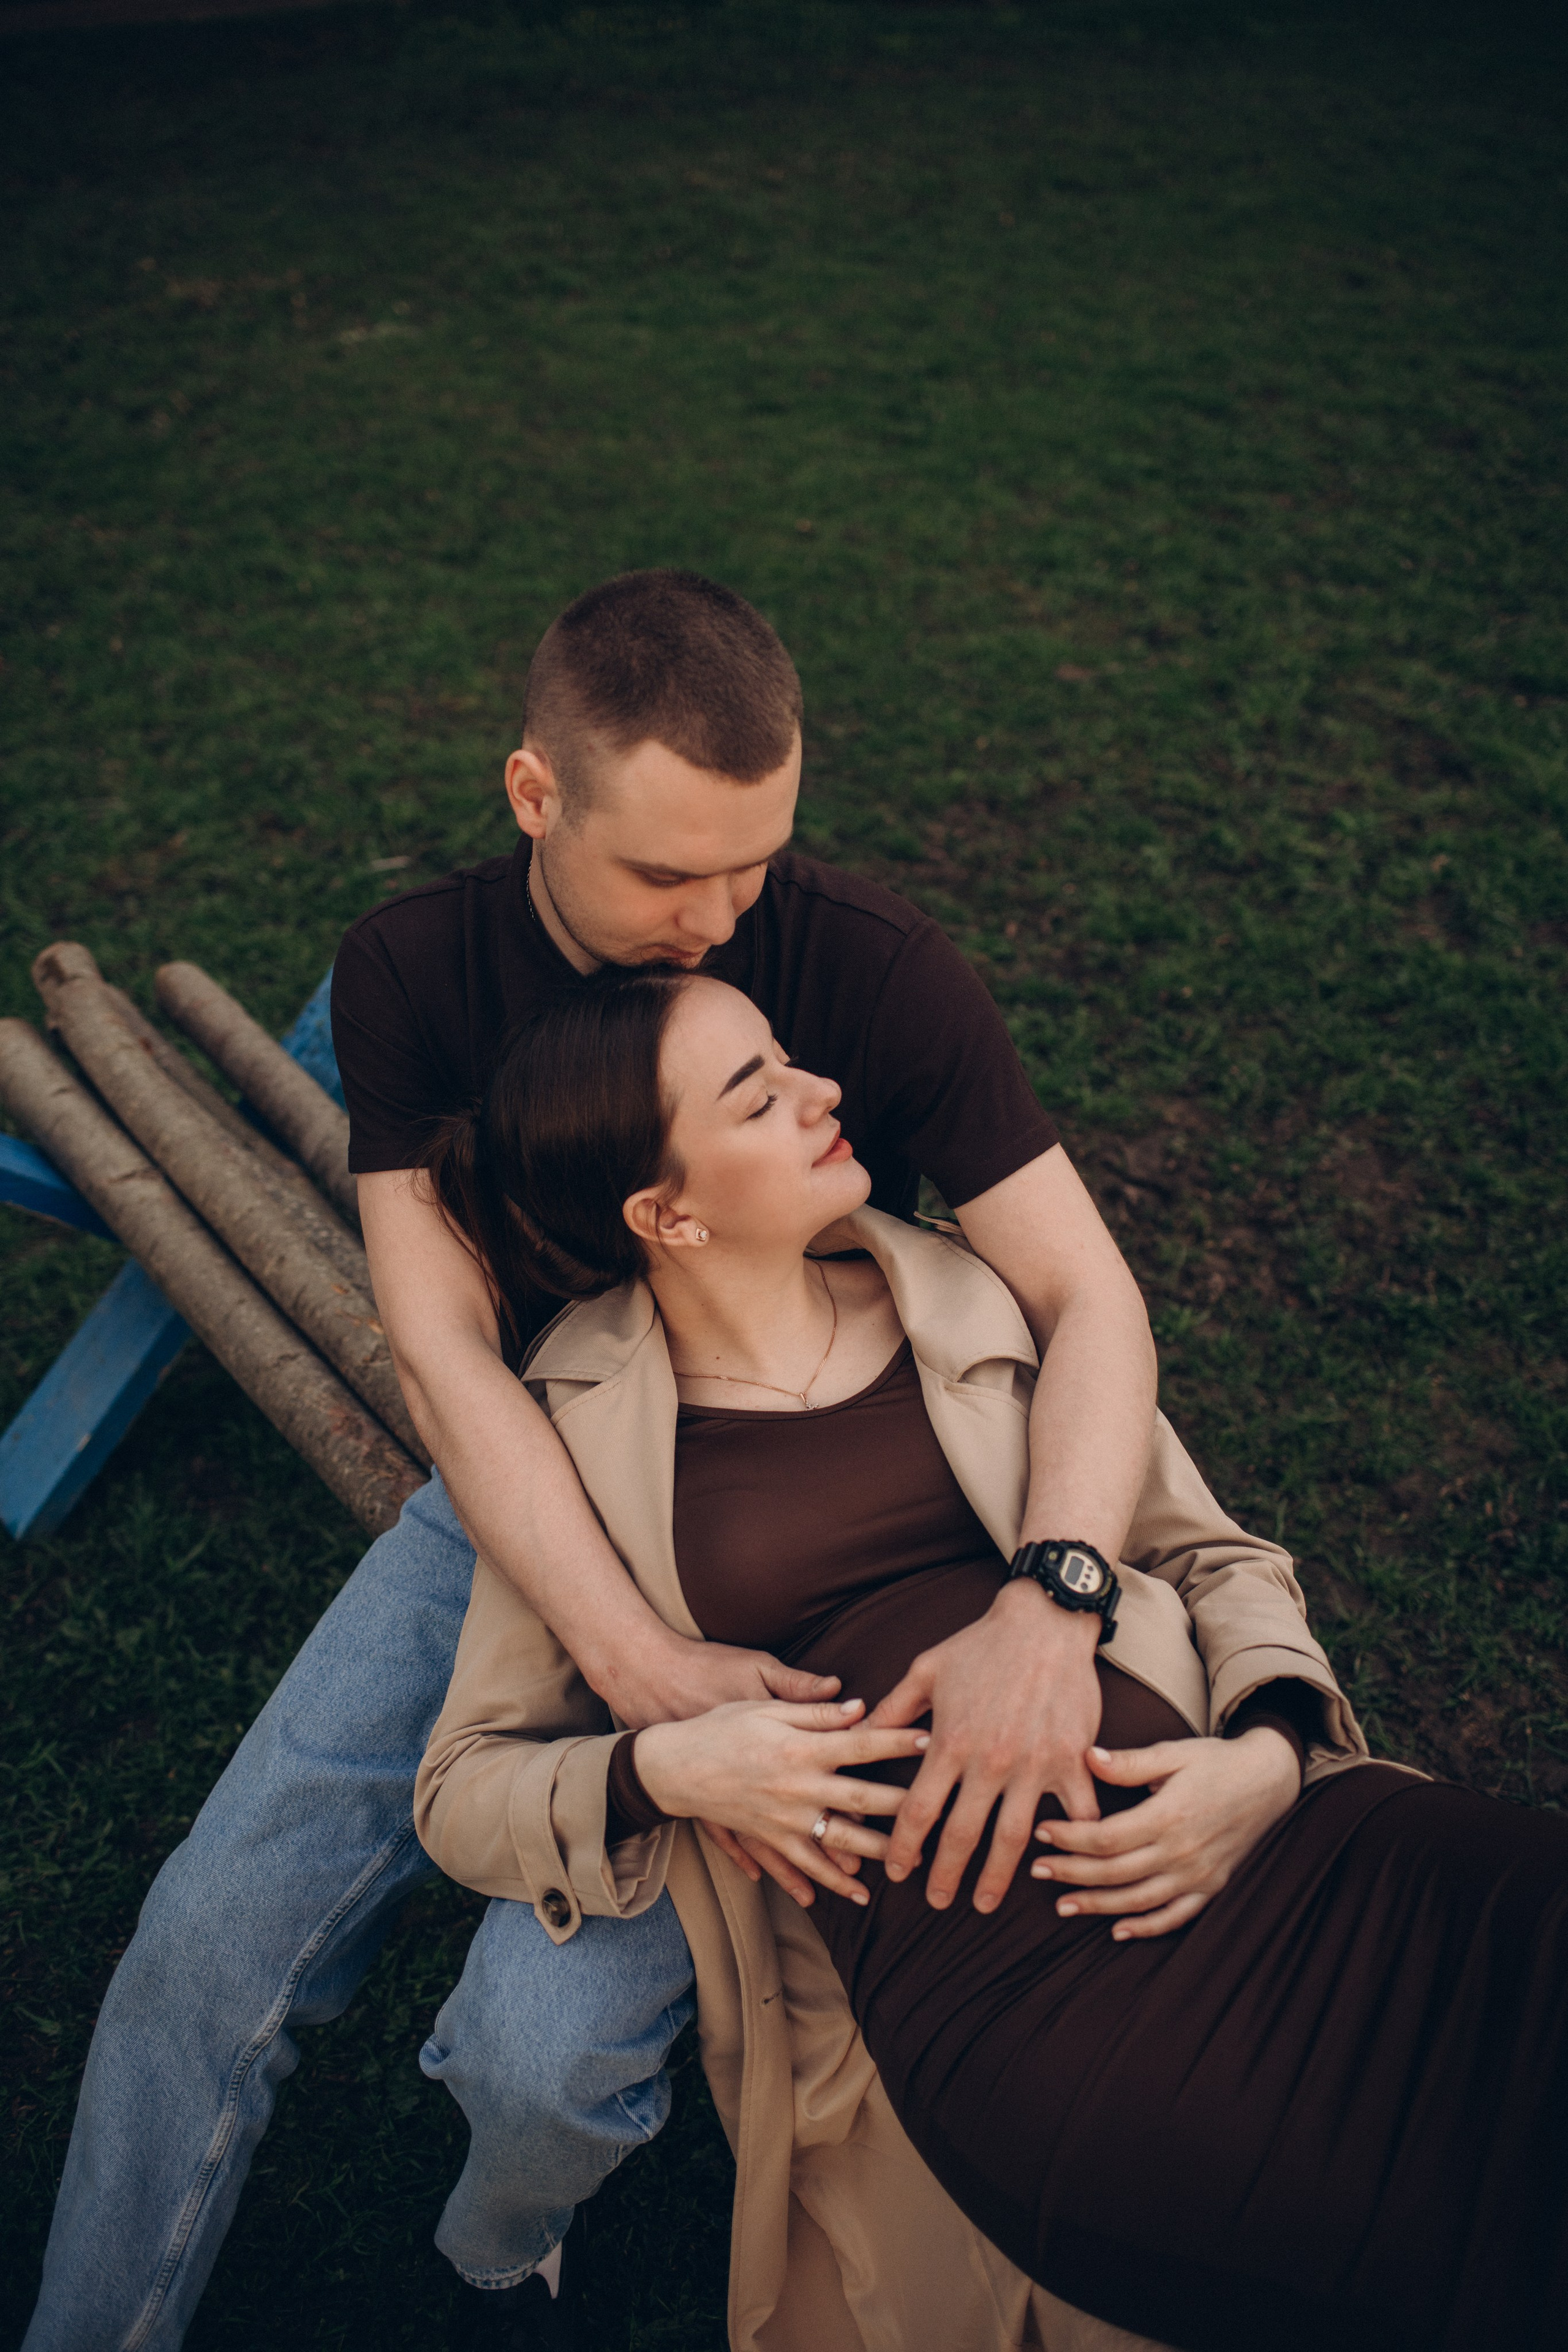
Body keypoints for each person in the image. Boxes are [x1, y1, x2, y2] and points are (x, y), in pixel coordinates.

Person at [24, 571, 1161, 2351]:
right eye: (665, 873)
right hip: (526, 1477)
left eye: (755, 861)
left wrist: (1059, 1597)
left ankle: (506, 2226)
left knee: (541, 2036)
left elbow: (1086, 1290)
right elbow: (446, 1351)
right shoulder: (412, 970)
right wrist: (642, 1678)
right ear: (534, 795)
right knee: (203, 1942)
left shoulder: (877, 968)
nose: (718, 920)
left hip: (818, 1533)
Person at [417, 967, 1568, 2352]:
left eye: (790, 1058)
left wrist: (1267, 1761)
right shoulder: (574, 1434)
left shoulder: (975, 1293)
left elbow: (1214, 1559)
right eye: (758, 1093)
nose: (820, 1093)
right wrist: (669, 1766)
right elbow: (463, 1790)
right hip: (1033, 2009)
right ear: (668, 1213)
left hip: (1293, 1853)